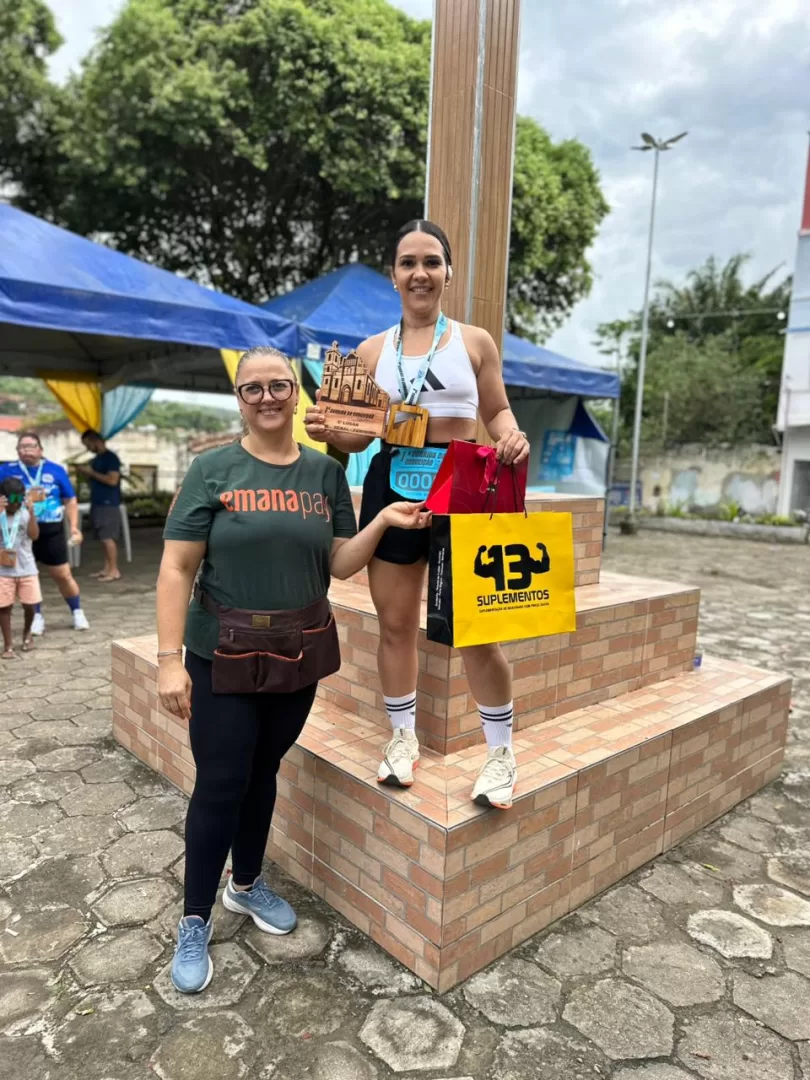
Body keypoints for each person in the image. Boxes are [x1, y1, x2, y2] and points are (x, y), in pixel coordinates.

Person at [156, 345, 429, 994]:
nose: (268, 398)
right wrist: (169, 660)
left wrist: (382, 520)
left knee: (264, 771)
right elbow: (176, 566)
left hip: (298, 652)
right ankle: (194, 918)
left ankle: (246, 884)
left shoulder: (326, 474)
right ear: (239, 400)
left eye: (279, 385)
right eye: (253, 389)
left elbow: (339, 564)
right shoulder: (213, 469)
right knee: (221, 782)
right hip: (222, 652)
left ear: (296, 392)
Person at [305, 219, 530, 810]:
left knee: (475, 630)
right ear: (393, 275)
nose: (420, 273)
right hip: (392, 484)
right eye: (408, 263)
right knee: (397, 624)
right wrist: (330, 430)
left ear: (448, 273)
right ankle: (403, 738)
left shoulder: (475, 342)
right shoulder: (369, 352)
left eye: (431, 261)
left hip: (463, 483)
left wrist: (511, 435)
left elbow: (497, 411)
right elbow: (355, 439)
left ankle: (501, 753)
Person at [0, 431, 89, 633]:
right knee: (27, 577)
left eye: (30, 446)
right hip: (19, 534)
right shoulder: (6, 470)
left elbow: (70, 500)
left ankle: (77, 611)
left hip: (51, 530)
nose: (26, 450)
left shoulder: (56, 470)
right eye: (22, 447)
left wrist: (74, 527)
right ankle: (36, 616)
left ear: (40, 449)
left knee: (63, 575)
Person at [0, 477, 41, 659]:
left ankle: (27, 633)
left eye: (19, 499)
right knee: (4, 608)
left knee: (30, 605)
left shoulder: (24, 514)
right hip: (3, 570)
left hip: (26, 568)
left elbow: (34, 535)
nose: (16, 504)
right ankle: (8, 645)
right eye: (12, 500)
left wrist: (31, 512)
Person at [75, 429, 122, 582]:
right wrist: (85, 473)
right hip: (97, 501)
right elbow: (94, 479)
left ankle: (114, 570)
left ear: (96, 441)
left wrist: (91, 473)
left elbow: (112, 480)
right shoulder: (96, 459)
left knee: (108, 537)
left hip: (108, 503)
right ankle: (107, 568)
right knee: (102, 537)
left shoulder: (111, 458)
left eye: (88, 444)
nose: (87, 448)